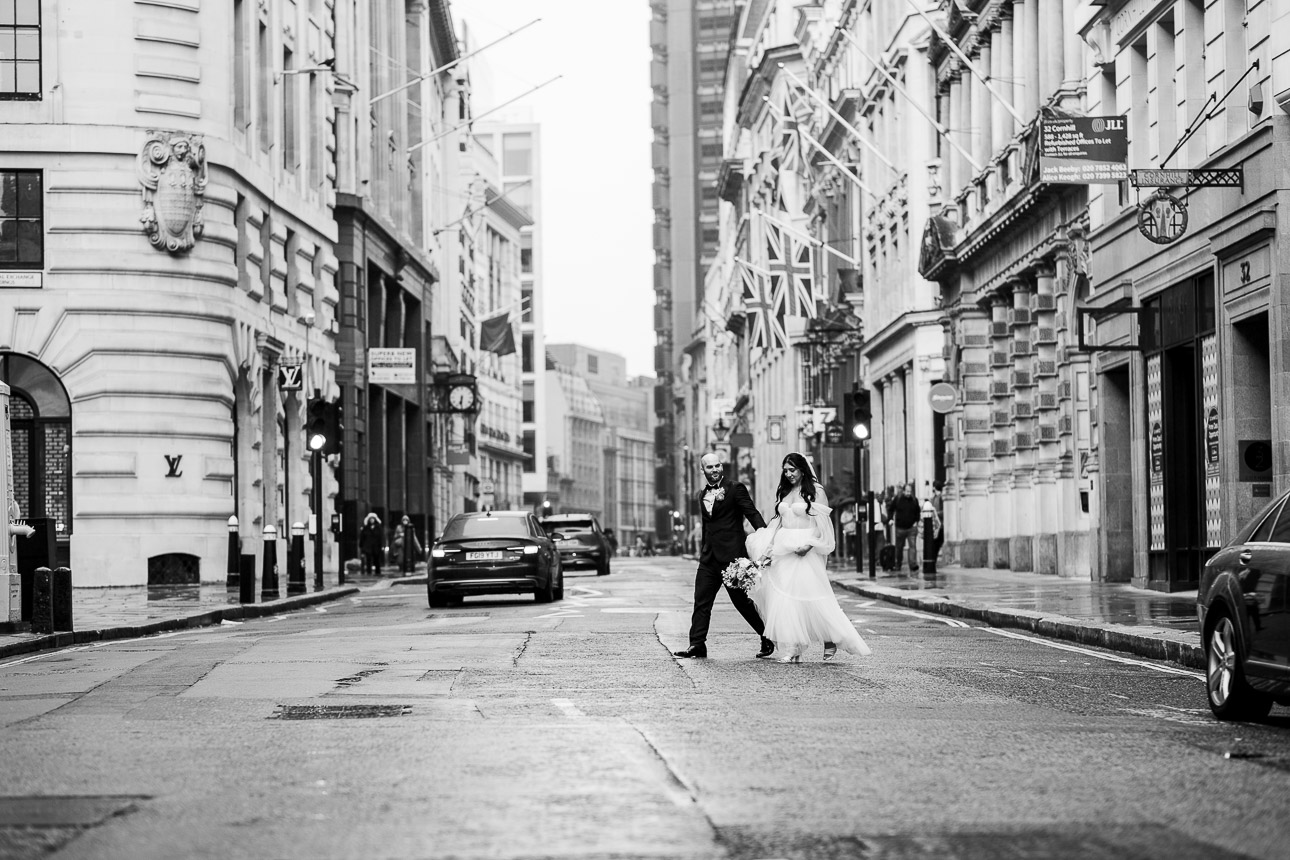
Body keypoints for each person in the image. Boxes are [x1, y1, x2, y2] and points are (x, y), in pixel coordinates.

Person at [745, 453, 871, 663]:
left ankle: (831, 637)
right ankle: (794, 646)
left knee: (814, 596)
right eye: (785, 470)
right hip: (783, 549)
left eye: (792, 469)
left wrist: (810, 544)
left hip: (806, 549)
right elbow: (779, 524)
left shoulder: (816, 491)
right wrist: (768, 551)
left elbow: (823, 526)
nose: (789, 474)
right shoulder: (785, 491)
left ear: (802, 469)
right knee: (786, 598)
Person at [673, 452, 775, 660]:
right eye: (710, 467)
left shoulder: (735, 488)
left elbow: (751, 512)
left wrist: (766, 537)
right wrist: (702, 551)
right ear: (703, 471)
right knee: (701, 602)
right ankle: (697, 645)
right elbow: (707, 527)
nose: (715, 470)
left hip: (732, 560)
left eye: (718, 465)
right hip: (709, 559)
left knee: (742, 603)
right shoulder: (701, 495)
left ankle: (767, 636)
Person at [890, 483, 922, 572]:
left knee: (912, 546)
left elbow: (917, 512)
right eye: (907, 491)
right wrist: (890, 519)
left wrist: (916, 521)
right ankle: (898, 564)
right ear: (903, 491)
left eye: (910, 491)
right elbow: (891, 509)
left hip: (911, 527)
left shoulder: (914, 500)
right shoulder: (898, 499)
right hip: (900, 528)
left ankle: (912, 564)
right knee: (899, 547)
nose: (908, 493)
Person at [930, 480, 945, 561]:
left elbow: (944, 511)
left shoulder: (941, 498)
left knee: (937, 543)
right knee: (935, 543)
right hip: (935, 525)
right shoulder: (933, 498)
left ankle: (933, 559)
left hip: (940, 525)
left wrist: (936, 513)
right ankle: (933, 559)